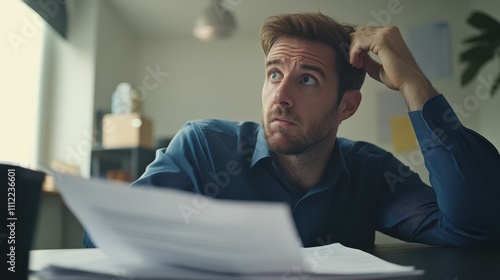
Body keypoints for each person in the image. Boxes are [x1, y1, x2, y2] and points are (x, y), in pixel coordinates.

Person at [84, 12, 500, 249]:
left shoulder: (374, 174)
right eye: (274, 74)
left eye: (307, 80)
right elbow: (107, 240)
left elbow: (475, 227)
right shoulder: (204, 147)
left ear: (347, 106)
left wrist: (413, 82)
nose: (280, 96)